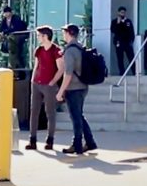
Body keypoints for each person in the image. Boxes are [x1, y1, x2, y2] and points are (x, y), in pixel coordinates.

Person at [56, 24, 97, 155]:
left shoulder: (69, 51)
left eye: (64, 32)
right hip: (83, 86)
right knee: (79, 115)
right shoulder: (80, 48)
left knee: (76, 118)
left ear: (69, 33)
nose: (63, 35)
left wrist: (60, 91)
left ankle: (77, 145)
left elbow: (68, 74)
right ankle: (90, 142)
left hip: (74, 88)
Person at [25, 26, 61, 151]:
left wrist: (53, 82)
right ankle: (32, 140)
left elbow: (61, 69)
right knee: (34, 111)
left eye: (39, 35)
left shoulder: (56, 50)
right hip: (36, 83)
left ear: (45, 36)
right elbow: (36, 65)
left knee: (50, 112)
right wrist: (32, 79)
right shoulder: (38, 50)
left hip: (49, 85)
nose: (38, 37)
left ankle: (50, 140)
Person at [110, 6, 136, 76]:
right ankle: (122, 72)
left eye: (124, 12)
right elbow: (113, 30)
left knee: (131, 57)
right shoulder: (114, 21)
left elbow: (131, 32)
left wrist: (131, 41)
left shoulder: (128, 21)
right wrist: (118, 23)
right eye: (121, 12)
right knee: (120, 58)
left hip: (127, 42)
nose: (123, 14)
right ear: (118, 13)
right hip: (119, 42)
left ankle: (135, 72)